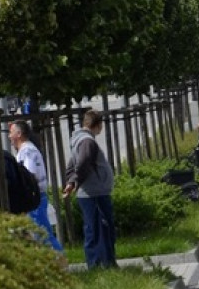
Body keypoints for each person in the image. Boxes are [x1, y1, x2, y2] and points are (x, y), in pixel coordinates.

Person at [63, 109, 117, 269]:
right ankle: (101, 265)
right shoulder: (87, 141)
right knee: (100, 229)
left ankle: (102, 263)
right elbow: (82, 163)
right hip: (94, 193)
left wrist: (71, 182)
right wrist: (76, 181)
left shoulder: (79, 140)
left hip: (93, 192)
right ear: (98, 125)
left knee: (95, 229)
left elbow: (72, 165)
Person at [8, 120, 64, 251]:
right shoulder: (26, 150)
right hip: (35, 198)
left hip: (34, 199)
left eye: (11, 132)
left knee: (42, 234)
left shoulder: (27, 151)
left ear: (19, 134)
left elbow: (29, 175)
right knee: (40, 233)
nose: (9, 136)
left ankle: (59, 263)